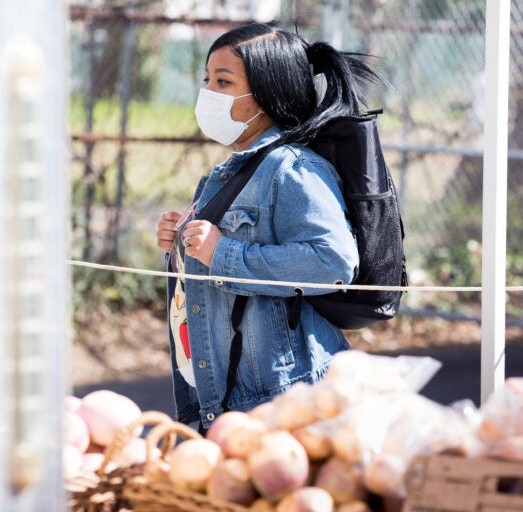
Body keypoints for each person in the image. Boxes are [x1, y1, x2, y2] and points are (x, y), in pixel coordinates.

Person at [155, 23, 383, 430]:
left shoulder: (292, 170)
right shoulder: (223, 175)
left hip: (282, 406)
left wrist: (221, 252)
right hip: (224, 404)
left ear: (265, 95)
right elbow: (211, 264)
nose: (208, 92)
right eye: (207, 79)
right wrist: (178, 246)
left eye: (223, 82)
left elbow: (332, 261)